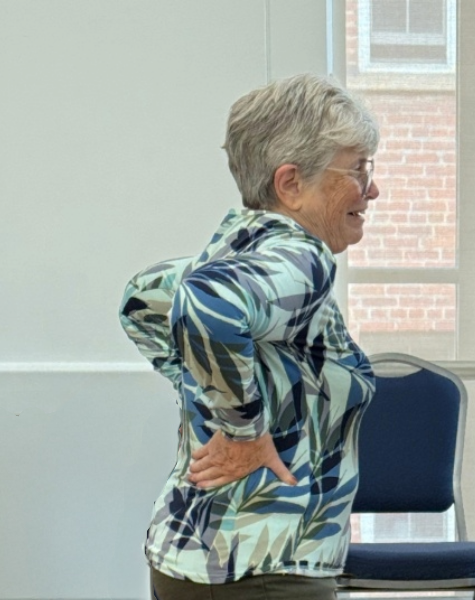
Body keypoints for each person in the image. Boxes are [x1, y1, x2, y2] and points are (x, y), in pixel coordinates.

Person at [119, 73, 381, 600]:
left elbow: (142, 299)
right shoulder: (300, 257)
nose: (372, 188)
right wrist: (243, 429)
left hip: (191, 559)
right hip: (265, 571)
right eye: (357, 170)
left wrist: (212, 391)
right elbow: (203, 306)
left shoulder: (236, 250)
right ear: (291, 184)